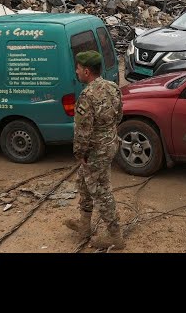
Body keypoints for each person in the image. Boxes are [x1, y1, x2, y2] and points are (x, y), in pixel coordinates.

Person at [63, 50, 125, 250]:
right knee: (83, 182)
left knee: (100, 190)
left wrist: (80, 154)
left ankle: (115, 235)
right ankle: (84, 225)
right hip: (109, 144)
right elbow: (119, 116)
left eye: (79, 68)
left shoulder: (87, 96)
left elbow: (83, 131)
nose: (77, 71)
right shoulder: (113, 87)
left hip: (95, 151)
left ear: (87, 71)